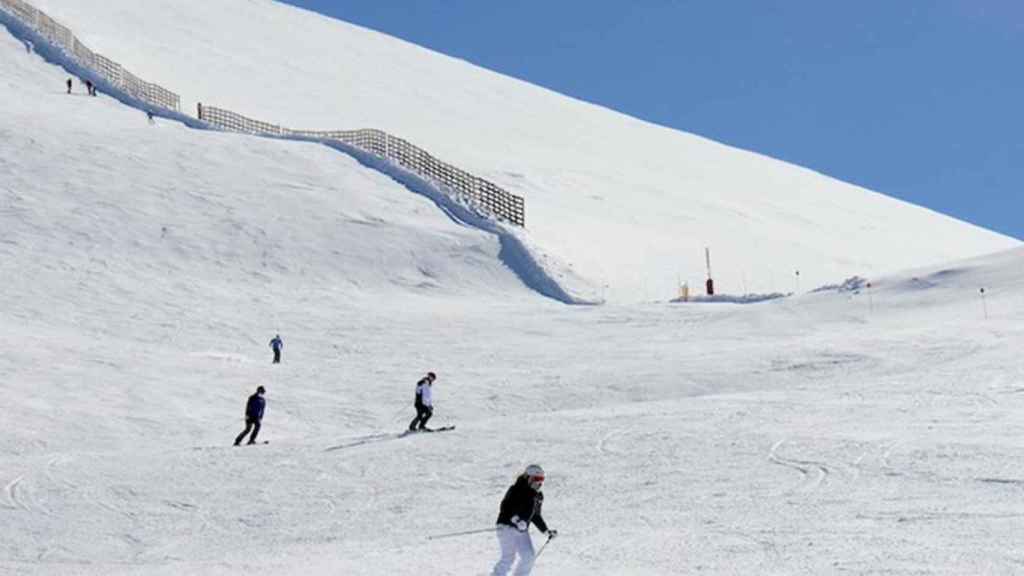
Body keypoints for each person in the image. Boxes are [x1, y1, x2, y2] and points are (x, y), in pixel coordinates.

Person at [491, 464, 557, 576]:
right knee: (508, 558)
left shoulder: (537, 496)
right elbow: (505, 507)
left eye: (542, 479)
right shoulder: (516, 489)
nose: (539, 482)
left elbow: (535, 516)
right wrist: (516, 520)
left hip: (521, 530)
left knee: (529, 556)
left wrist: (546, 531)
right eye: (537, 479)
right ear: (528, 477)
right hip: (507, 527)